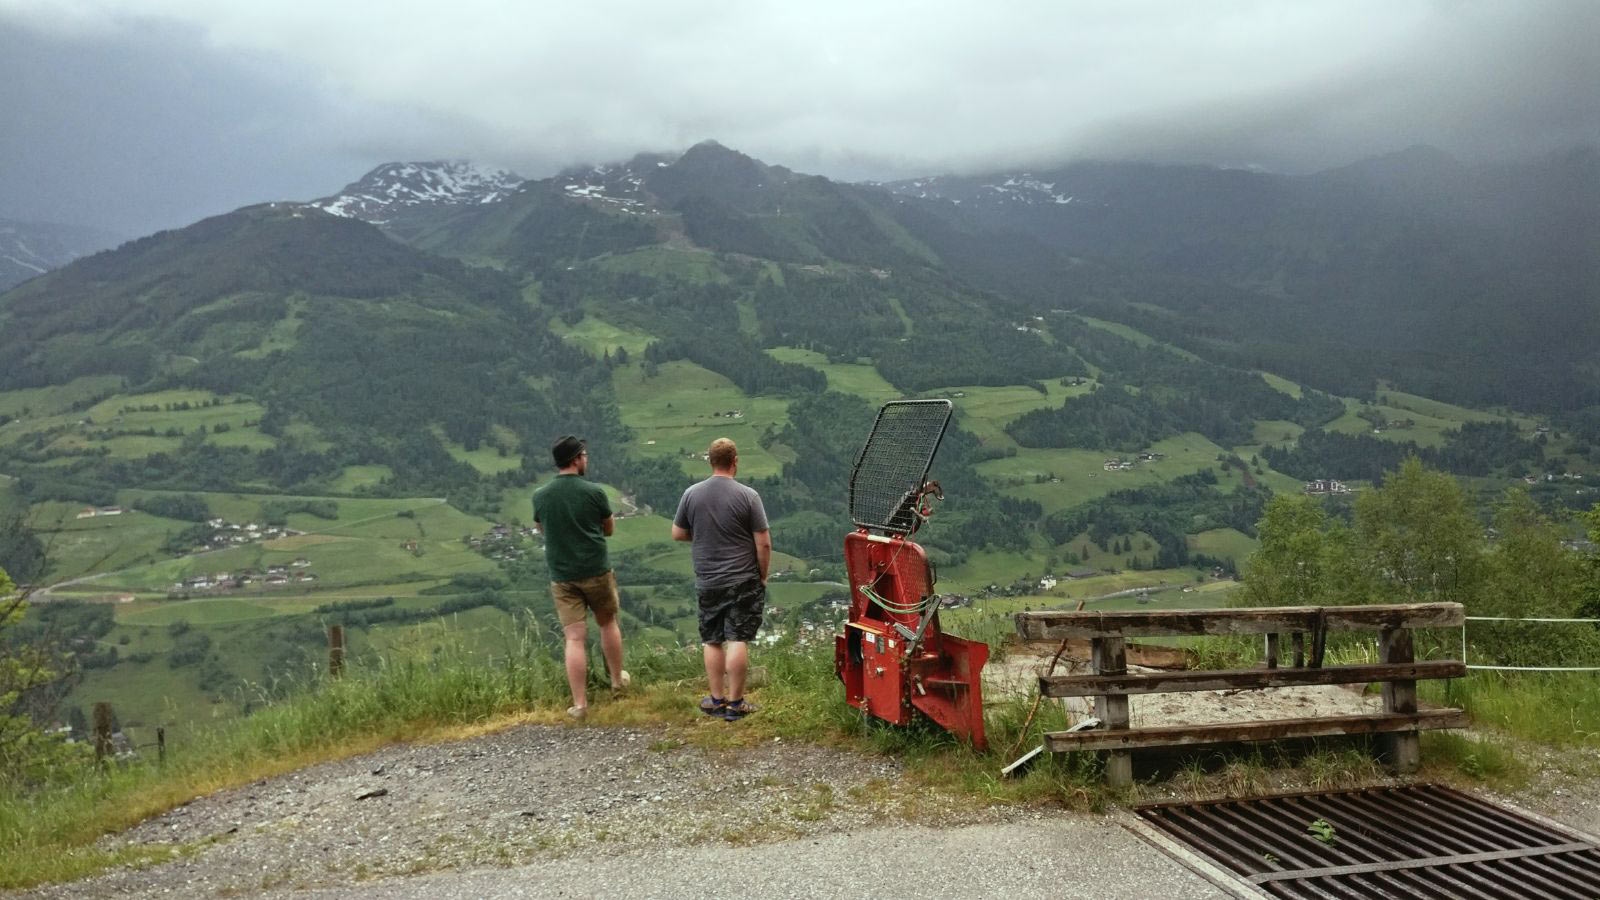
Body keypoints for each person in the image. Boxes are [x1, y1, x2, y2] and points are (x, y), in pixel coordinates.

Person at [671, 438, 771, 720]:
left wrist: (703, 534)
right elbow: (763, 542)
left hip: (708, 579)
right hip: (743, 578)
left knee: (712, 639)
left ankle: (715, 701)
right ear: (735, 461)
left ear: (710, 461)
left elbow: (678, 533)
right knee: (738, 638)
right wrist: (762, 575)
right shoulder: (748, 496)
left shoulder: (691, 494)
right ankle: (736, 705)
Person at [533, 435, 628, 720]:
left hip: (562, 575)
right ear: (575, 459)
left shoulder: (541, 495)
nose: (586, 459)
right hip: (596, 569)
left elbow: (540, 528)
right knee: (607, 623)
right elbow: (608, 529)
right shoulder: (594, 492)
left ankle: (580, 704)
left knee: (574, 638)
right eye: (584, 455)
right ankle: (617, 683)